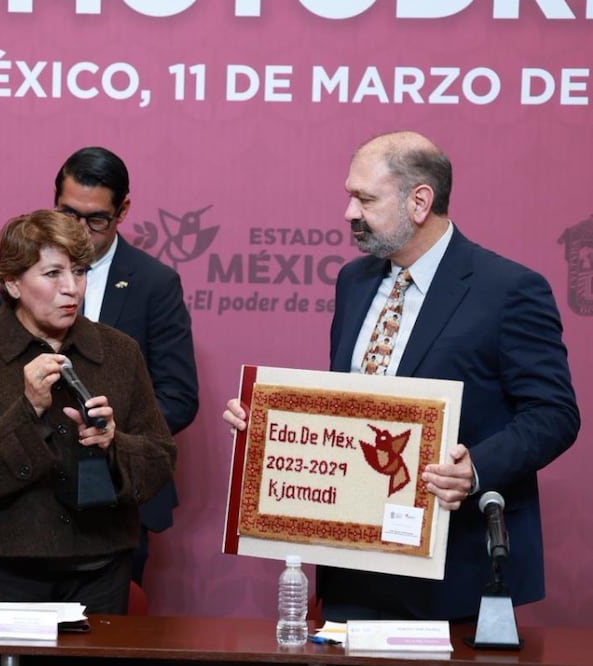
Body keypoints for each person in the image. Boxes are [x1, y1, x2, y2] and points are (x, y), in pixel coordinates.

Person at [223, 130, 580, 621]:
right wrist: (270, 426)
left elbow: (554, 414)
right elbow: (349, 410)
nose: (349, 212)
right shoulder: (353, 281)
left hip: (456, 569)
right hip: (353, 566)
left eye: (365, 199)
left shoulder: (509, 289)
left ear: (420, 202)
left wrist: (475, 469)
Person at [0, 209, 176, 614]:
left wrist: (113, 443)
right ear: (13, 282)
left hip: (101, 567)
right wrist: (27, 410)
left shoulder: (120, 352)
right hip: (2, 570)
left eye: (79, 272)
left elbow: (160, 461)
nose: (71, 288)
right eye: (52, 274)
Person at [54, 147, 198, 585]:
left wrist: (112, 433)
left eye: (96, 219)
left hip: (117, 489)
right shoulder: (29, 272)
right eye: (67, 214)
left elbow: (178, 397)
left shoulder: (155, 283)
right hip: (37, 485)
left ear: (123, 211)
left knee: (112, 621)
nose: (79, 230)